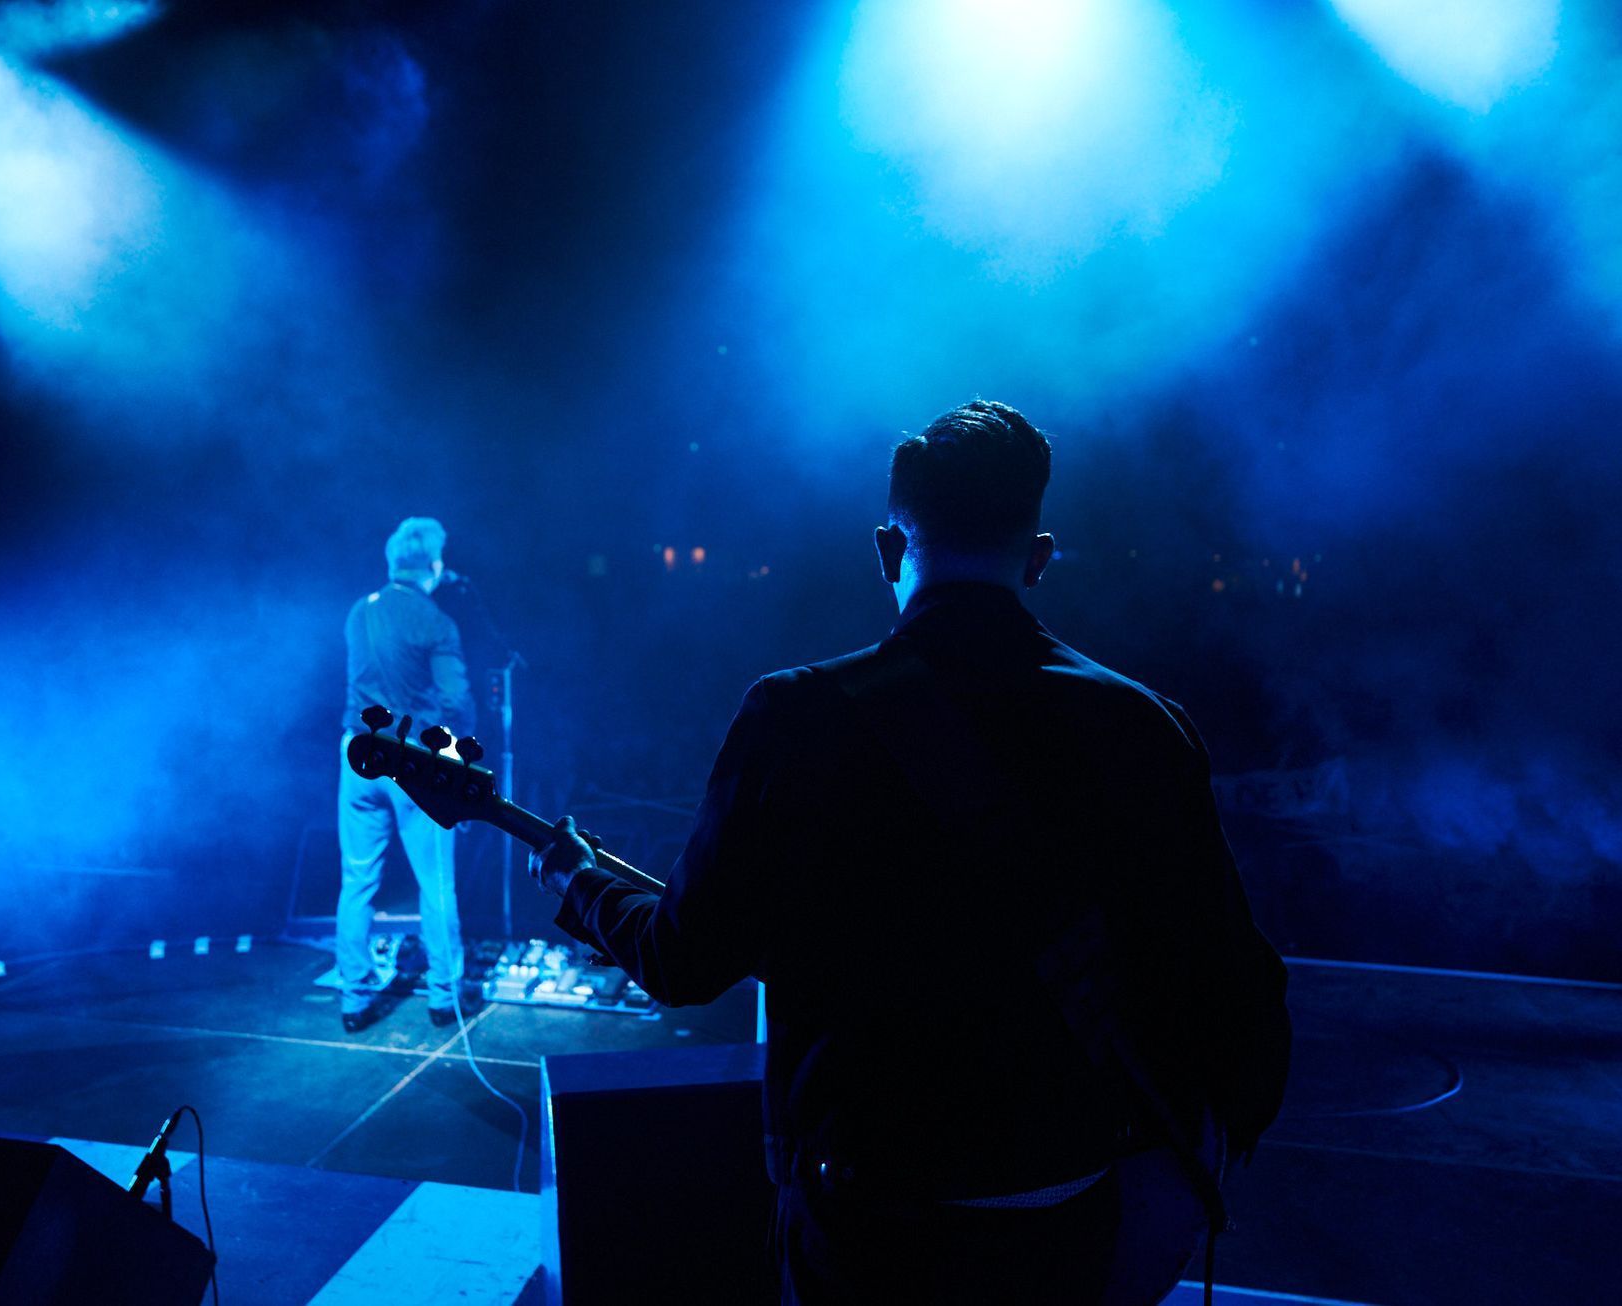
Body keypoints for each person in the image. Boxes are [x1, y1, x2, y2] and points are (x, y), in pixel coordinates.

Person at [530, 401, 1292, 1304]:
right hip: (1067, 1222)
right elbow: (1232, 985)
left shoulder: (797, 716)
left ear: (888, 552)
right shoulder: (1146, 727)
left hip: (870, 1234)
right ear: (1038, 559)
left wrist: (579, 882)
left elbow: (682, 959)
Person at [338, 516, 481, 1033]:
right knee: (436, 881)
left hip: (357, 753)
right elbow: (456, 700)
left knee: (357, 880)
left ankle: (354, 1000)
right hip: (414, 757)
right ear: (435, 566)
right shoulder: (436, 622)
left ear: (392, 560)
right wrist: (459, 754)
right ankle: (444, 999)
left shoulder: (360, 611)